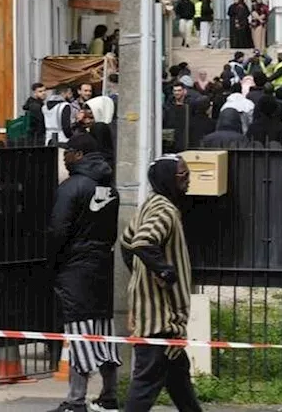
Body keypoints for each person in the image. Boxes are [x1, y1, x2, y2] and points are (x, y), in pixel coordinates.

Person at [119, 156, 203, 412]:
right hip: (161, 318)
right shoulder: (164, 210)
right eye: (182, 175)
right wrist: (166, 274)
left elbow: (127, 242)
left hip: (159, 316)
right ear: (167, 178)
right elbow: (142, 242)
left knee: (179, 381)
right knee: (146, 384)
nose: (188, 180)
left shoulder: (151, 204)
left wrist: (139, 277)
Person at [47, 134, 121, 412]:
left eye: (67, 153)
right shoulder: (110, 188)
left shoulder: (72, 187)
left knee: (78, 331)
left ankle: (76, 400)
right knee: (103, 330)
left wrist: (52, 262)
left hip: (75, 268)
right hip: (102, 265)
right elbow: (112, 230)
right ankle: (109, 395)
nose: (64, 158)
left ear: (79, 155)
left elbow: (58, 229)